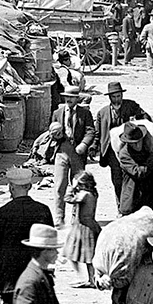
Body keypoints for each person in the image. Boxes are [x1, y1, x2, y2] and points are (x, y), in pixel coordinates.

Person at [0, 167, 54, 304]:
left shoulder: (3, 212)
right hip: (34, 279)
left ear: (10, 187)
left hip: (5, 281)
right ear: (30, 187)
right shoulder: (43, 211)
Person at [93, 81, 153, 205]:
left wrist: (138, 123)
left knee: (131, 179)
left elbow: (146, 117)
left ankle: (131, 205)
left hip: (129, 150)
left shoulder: (131, 106)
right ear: (109, 97)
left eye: (119, 96)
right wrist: (94, 147)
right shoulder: (102, 113)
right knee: (117, 180)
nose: (117, 99)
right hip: (111, 152)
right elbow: (97, 134)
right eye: (114, 97)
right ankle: (120, 206)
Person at [51, 85, 95, 227]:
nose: (69, 99)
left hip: (78, 152)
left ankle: (76, 218)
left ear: (77, 98)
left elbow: (90, 131)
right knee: (59, 185)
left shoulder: (85, 113)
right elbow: (51, 129)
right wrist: (55, 135)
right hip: (62, 151)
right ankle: (59, 217)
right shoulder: (57, 112)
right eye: (66, 97)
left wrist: (84, 144)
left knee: (79, 185)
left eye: (72, 97)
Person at [116, 122, 153, 217]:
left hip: (151, 199)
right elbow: (139, 173)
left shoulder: (148, 148)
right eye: (133, 143)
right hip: (133, 201)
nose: (136, 145)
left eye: (138, 141)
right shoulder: (124, 155)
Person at [64, 171, 101, 288]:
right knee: (88, 256)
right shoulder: (93, 193)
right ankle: (91, 278)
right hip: (89, 225)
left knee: (87, 256)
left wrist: (72, 187)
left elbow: (68, 198)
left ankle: (91, 279)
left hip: (85, 228)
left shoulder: (84, 194)